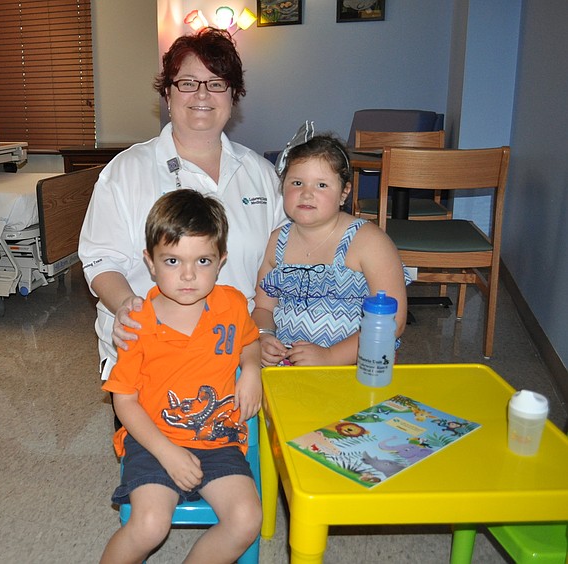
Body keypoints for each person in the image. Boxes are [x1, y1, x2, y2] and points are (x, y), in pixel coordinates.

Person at [78, 27, 286, 384]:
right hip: (152, 355)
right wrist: (129, 306)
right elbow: (100, 259)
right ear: (168, 95)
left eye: (216, 83)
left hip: (238, 357)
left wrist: (264, 331)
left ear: (233, 94)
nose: (202, 94)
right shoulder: (125, 172)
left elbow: (282, 263)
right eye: (187, 82)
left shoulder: (262, 176)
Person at [100, 190, 262, 564]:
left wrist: (251, 368)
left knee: (246, 519)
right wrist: (167, 453)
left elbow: (249, 341)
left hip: (217, 440)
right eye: (173, 260)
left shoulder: (233, 304)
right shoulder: (137, 321)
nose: (188, 275)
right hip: (153, 440)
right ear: (151, 263)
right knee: (150, 525)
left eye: (202, 260)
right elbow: (123, 400)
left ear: (221, 261)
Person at [252, 132, 410, 367]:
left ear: (343, 193)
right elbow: (264, 306)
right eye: (297, 183)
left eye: (322, 185)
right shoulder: (277, 242)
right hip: (289, 366)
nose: (306, 193)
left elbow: (393, 322)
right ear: (282, 187)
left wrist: (330, 356)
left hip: (359, 365)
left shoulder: (368, 241)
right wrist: (264, 336)